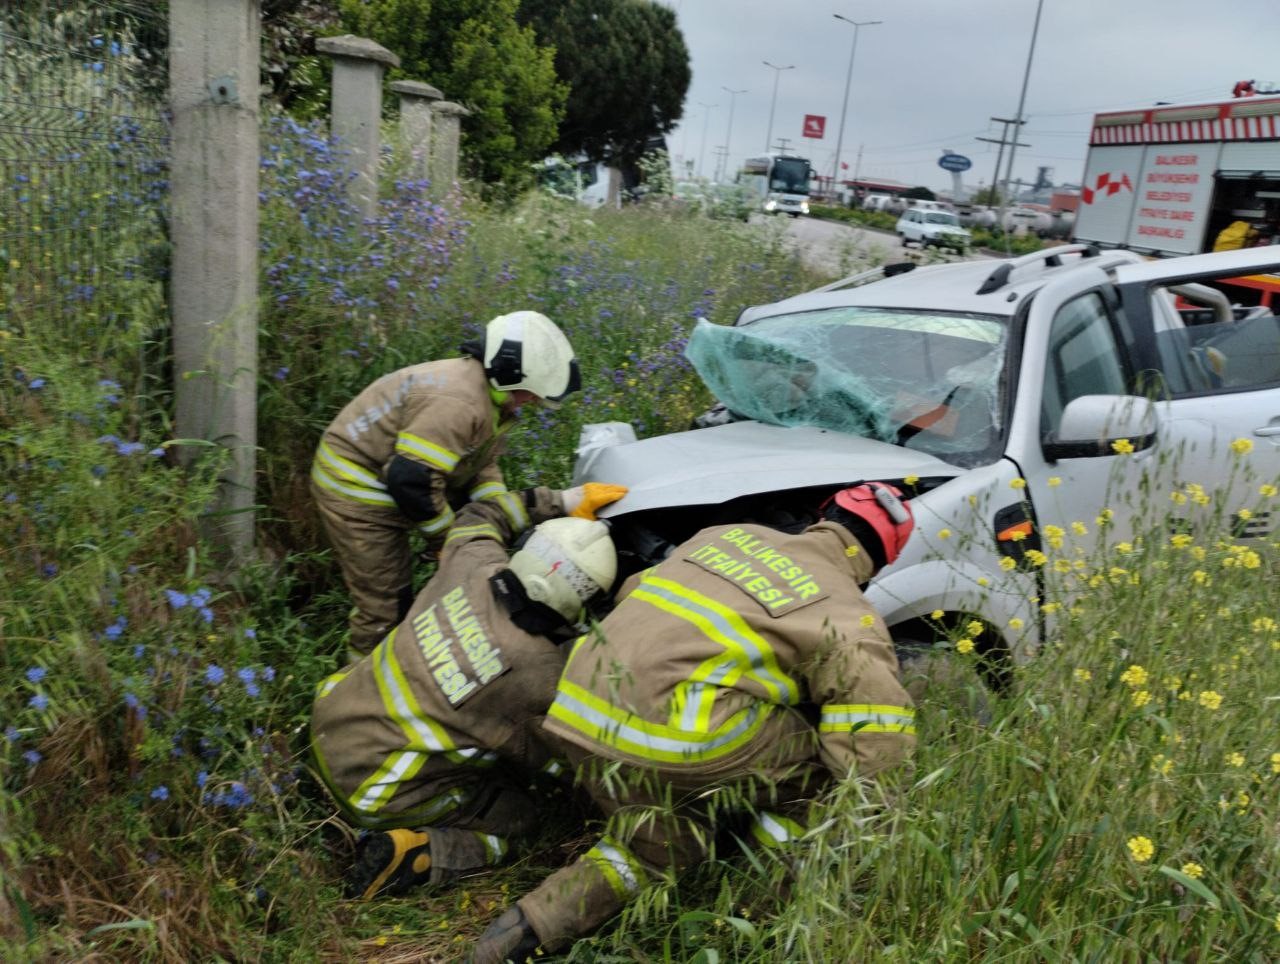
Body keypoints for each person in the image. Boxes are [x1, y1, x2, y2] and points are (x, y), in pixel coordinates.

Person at [473, 483, 919, 963]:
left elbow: (631, 592)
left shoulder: (727, 535)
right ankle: (758, 908)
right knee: (823, 772)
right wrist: (879, 839)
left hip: (580, 703)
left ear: (822, 514)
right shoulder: (849, 615)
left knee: (655, 848)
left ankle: (525, 930)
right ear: (880, 562)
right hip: (670, 731)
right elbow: (874, 753)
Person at [310, 481, 625, 900]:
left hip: (325, 722)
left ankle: (314, 779)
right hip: (373, 788)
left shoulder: (471, 561)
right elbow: (565, 766)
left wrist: (561, 502)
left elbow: (479, 516)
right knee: (520, 820)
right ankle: (418, 854)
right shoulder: (542, 677)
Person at [312, 310, 581, 658]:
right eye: (531, 393)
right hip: (354, 487)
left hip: (391, 475)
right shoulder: (460, 402)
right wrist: (448, 540)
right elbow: (411, 482)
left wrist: (495, 517)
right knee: (385, 605)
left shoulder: (492, 399)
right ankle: (354, 689)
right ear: (508, 372)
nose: (532, 402)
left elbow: (481, 465)